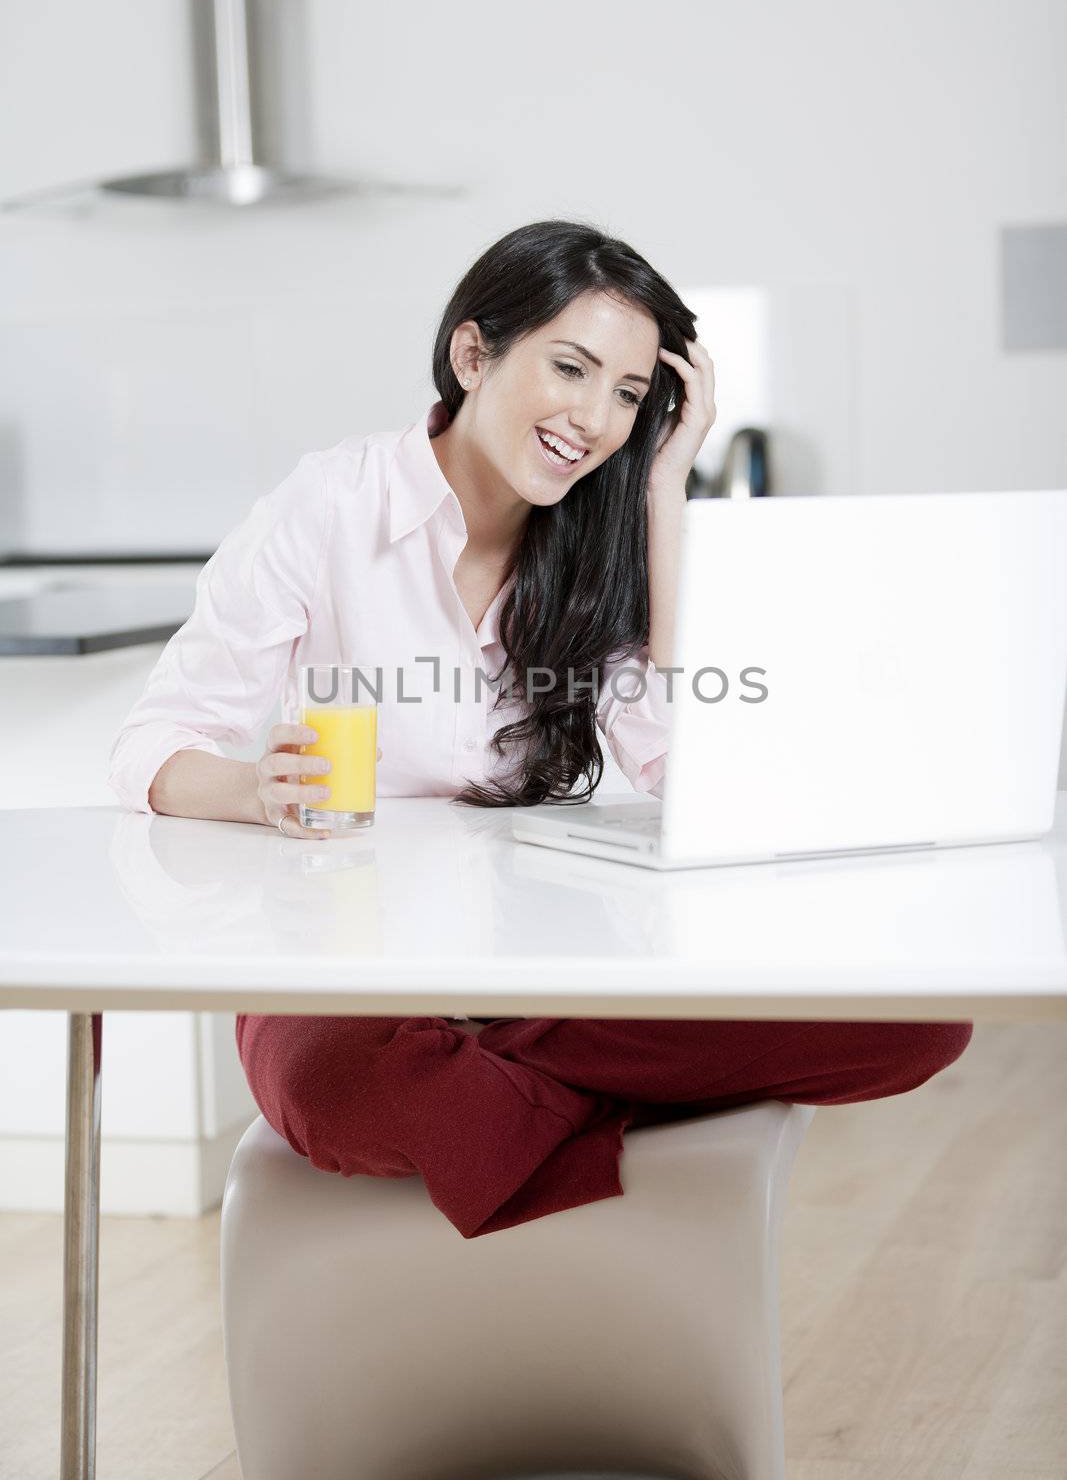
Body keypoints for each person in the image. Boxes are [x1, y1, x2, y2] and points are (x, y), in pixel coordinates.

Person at [107, 219, 973, 1239]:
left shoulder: (596, 539)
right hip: (351, 966)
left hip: (549, 959)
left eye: (626, 394)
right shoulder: (329, 505)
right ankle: (554, 1111)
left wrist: (660, 487)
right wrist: (252, 787)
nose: (595, 418)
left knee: (917, 1021)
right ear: (474, 355)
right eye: (570, 368)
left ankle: (488, 1104)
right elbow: (151, 742)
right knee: (332, 1083)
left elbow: (682, 765)